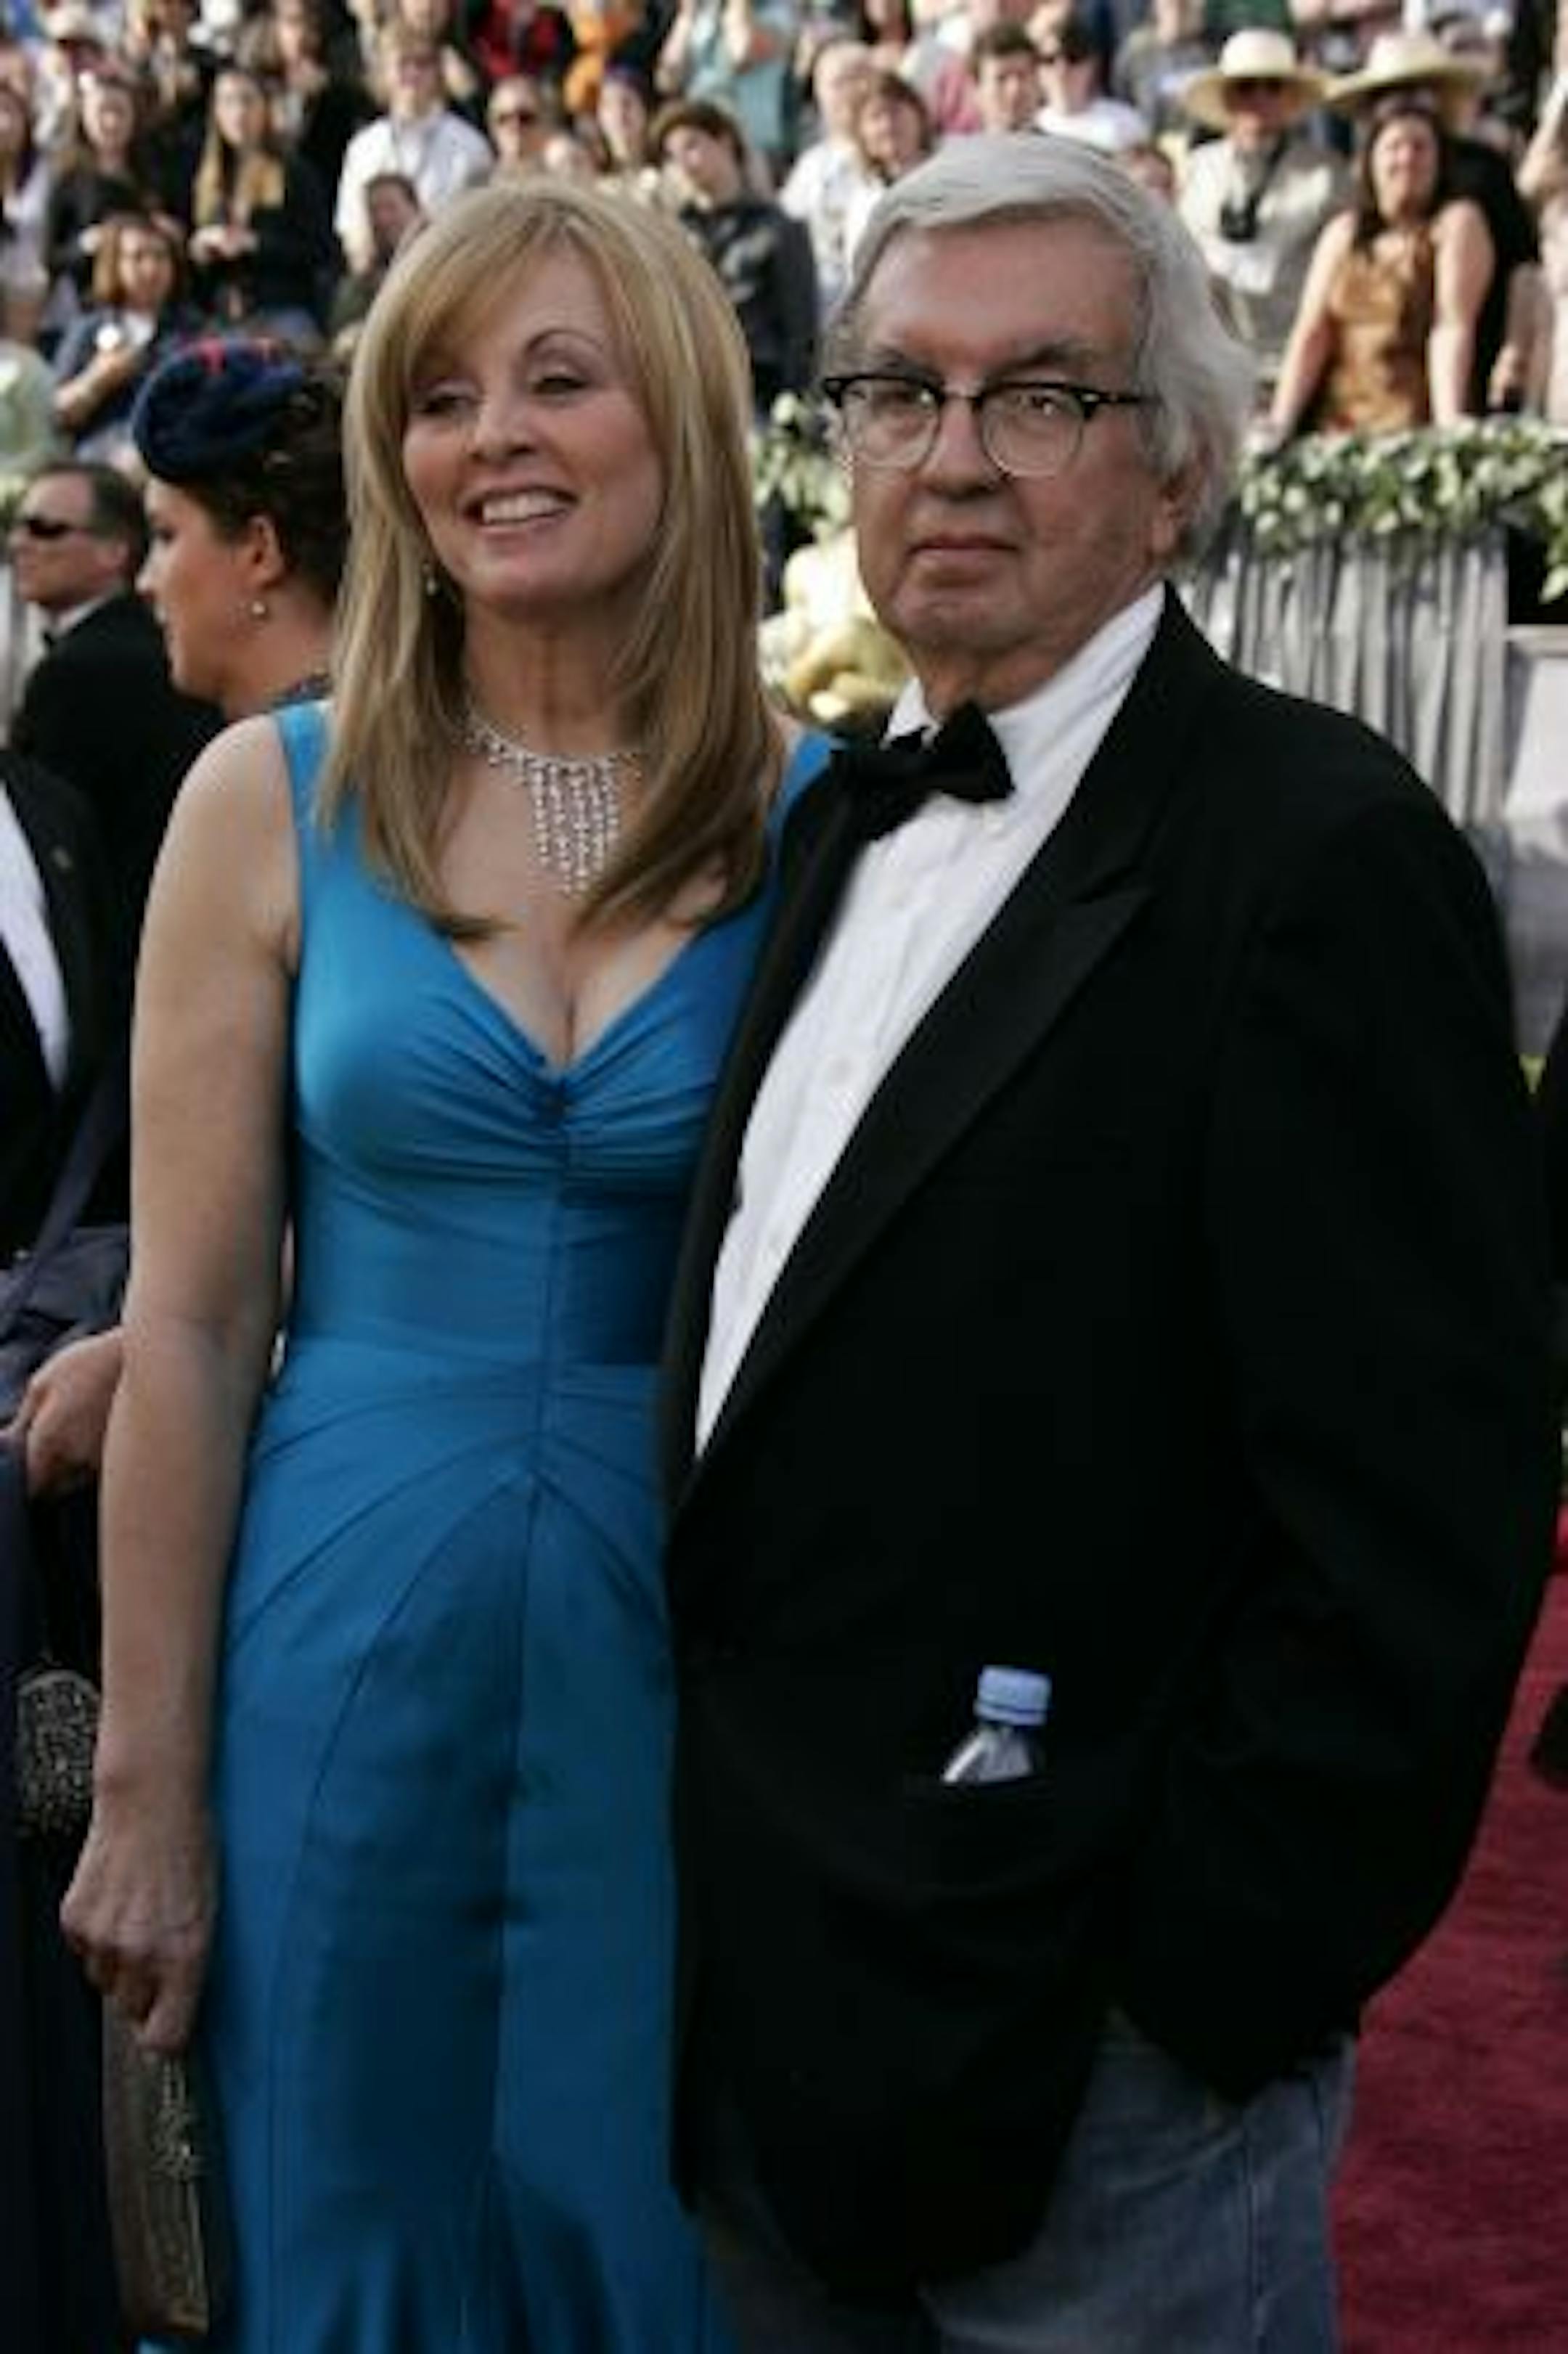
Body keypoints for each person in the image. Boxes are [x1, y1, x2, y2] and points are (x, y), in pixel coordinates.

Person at [658, 133, 1557, 2350]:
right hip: (772, 2015)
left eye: (1040, 397)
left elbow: (1424, 1521)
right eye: (901, 396)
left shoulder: (1316, 852)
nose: (953, 458)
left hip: (1101, 2072)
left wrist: (1200, 1983)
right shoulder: (829, 816)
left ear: (1174, 477)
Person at [60, 175, 818, 2349]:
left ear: (676, 416)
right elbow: (190, 1324)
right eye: (441, 394)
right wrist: (147, 1773)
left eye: (559, 381)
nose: (494, 437)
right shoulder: (262, 799)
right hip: (333, 1644)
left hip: (682, 1658)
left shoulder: (826, 819)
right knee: (341, 2225)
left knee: (647, 2233)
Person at [8, 459, 219, 1002]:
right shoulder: (149, 645)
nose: (19, 543)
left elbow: (48, 859)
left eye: (45, 528)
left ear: (115, 553)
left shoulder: (79, 672)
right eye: (17, 525)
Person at [1268, 91, 1494, 439]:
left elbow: (1451, 327)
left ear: (1439, 160)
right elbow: (1312, 331)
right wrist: (1280, 422)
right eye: (1394, 147)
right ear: (1370, 161)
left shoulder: (1456, 223)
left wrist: (1449, 427)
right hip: (1340, 427)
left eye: (1420, 147)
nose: (1407, 159)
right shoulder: (1344, 231)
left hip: (1414, 425)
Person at [1176, 29, 1349, 406]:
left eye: (1272, 87)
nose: (1259, 99)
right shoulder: (1195, 170)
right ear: (1226, 96)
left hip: (1295, 366)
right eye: (1246, 87)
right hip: (1211, 368)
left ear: (1290, 97)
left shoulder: (1328, 175)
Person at [652, 97, 819, 410]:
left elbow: (802, 336)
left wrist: (793, 412)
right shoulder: (670, 237)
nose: (684, 164)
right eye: (673, 157)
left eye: (691, 146)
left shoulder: (780, 229)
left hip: (760, 395)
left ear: (725, 142)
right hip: (689, 399)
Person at [182, 65, 338, 345]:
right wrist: (200, 251)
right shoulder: (205, 177)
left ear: (265, 108)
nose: (239, 113)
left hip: (283, 310)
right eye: (228, 102)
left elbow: (322, 251)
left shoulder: (294, 172)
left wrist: (256, 244)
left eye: (247, 100)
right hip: (224, 315)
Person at [50, 212, 195, 464]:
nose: (151, 269)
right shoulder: (88, 328)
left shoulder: (193, 330)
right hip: (99, 460)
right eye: (138, 258)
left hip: (168, 460)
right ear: (115, 265)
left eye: (160, 257)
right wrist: (98, 378)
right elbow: (57, 413)